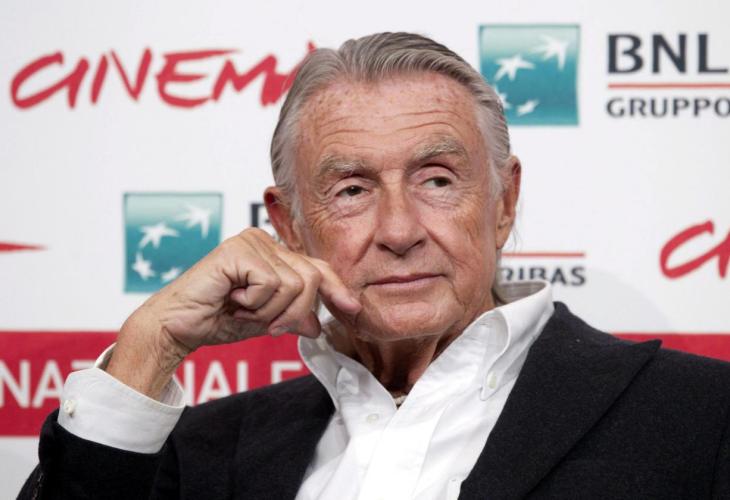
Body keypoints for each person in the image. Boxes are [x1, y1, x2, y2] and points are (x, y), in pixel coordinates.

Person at [20, 32, 730, 499]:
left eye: (437, 180)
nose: (398, 231)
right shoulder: (198, 452)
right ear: (290, 226)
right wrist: (150, 348)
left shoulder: (702, 416)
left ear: (504, 202)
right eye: (352, 190)